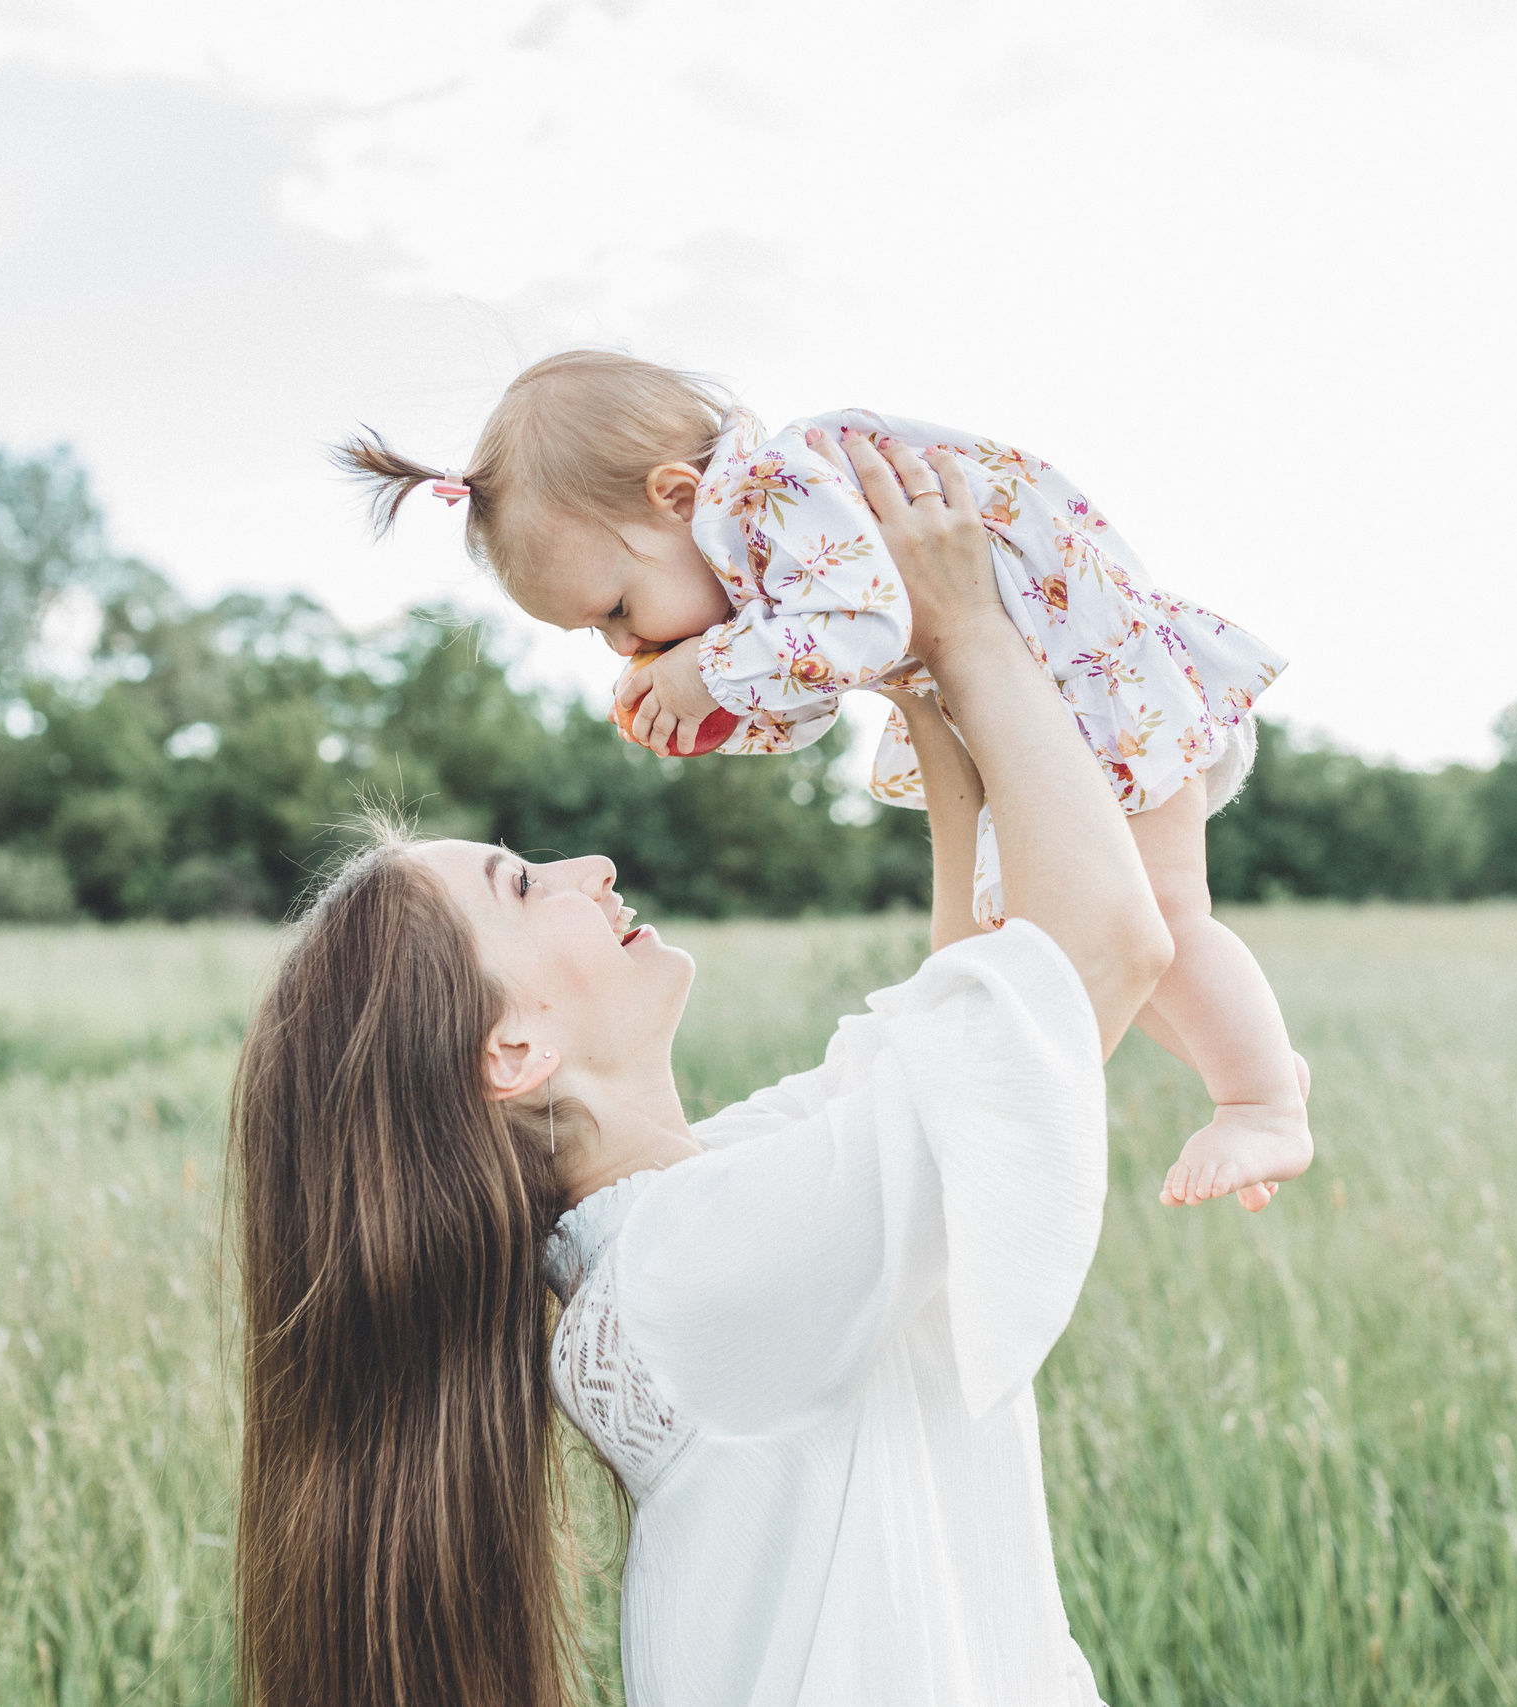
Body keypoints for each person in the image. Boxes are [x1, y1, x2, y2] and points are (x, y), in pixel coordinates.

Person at [228, 435, 1270, 1704]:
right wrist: (975, 627)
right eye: (520, 883)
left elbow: (956, 1014)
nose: (588, 867)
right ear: (511, 1051)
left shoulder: (700, 1207)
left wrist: (923, 685)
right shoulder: (699, 1269)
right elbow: (1096, 949)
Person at [336, 351, 1309, 1210]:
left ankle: (1260, 1099)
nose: (626, 644)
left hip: (1092, 680)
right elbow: (827, 678)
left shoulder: (777, 490)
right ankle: (1258, 1063)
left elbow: (868, 632)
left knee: (1159, 918)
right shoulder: (755, 562)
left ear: (676, 498)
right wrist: (721, 711)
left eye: (617, 609)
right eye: (603, 635)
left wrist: (707, 671)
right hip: (1044, 703)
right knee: (1063, 937)